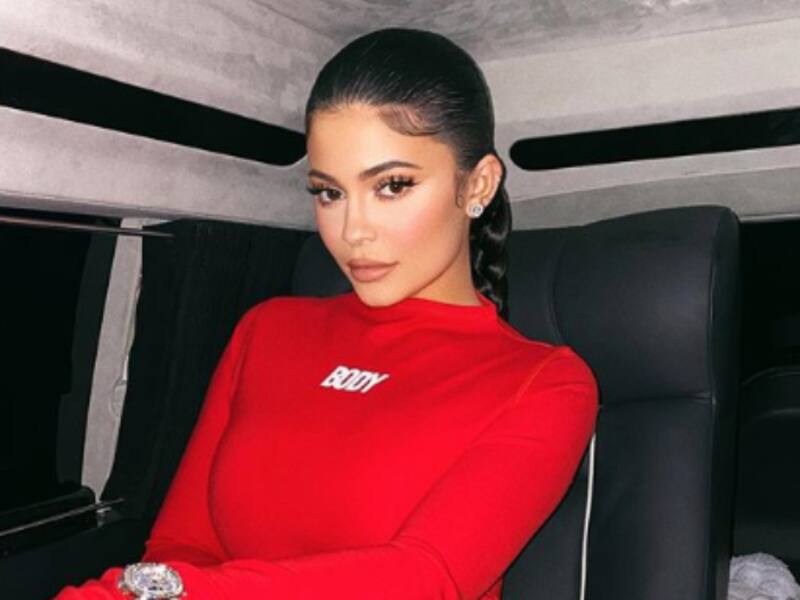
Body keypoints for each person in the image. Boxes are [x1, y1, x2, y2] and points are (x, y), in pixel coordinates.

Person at [55, 27, 599, 600]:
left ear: (478, 185)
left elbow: (424, 578)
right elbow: (180, 548)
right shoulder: (267, 330)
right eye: (329, 192)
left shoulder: (544, 383)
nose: (351, 231)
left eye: (392, 186)